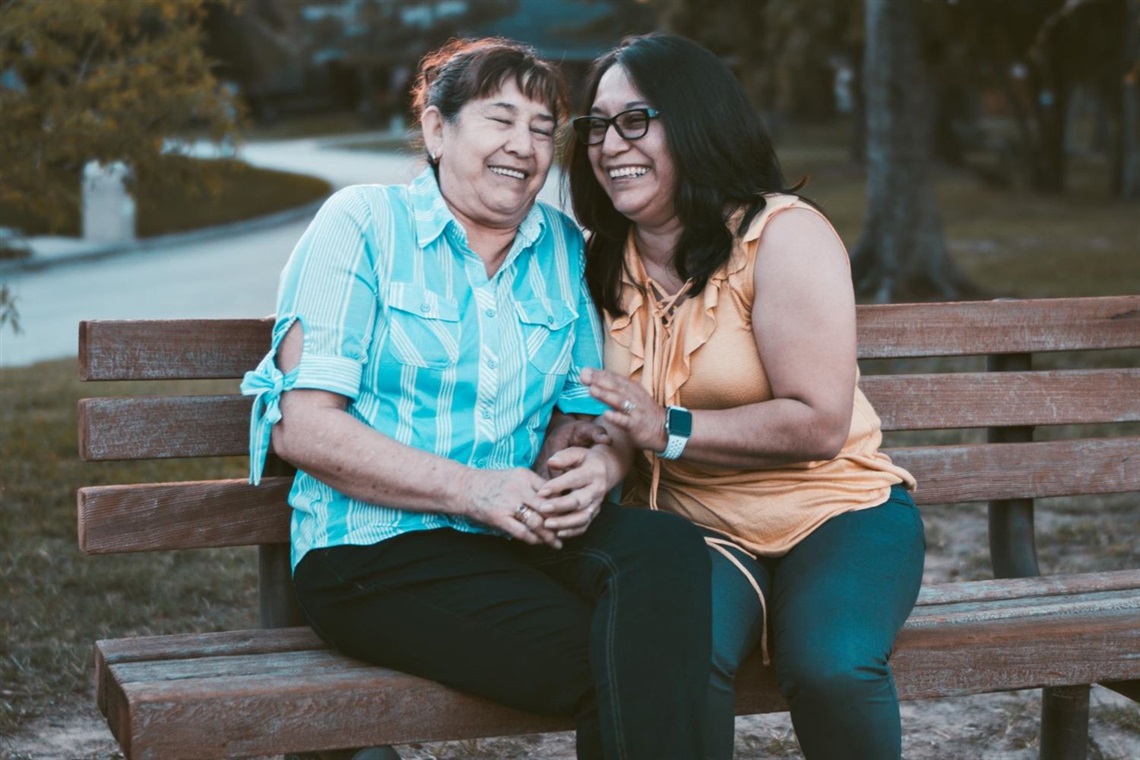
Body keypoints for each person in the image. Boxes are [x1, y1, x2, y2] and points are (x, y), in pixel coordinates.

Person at [241, 37, 713, 760]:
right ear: (437, 129)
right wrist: (473, 490)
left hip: (513, 535)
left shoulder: (559, 245)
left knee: (668, 549)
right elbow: (304, 430)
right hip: (373, 554)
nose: (523, 147)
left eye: (541, 128)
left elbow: (581, 410)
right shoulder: (363, 225)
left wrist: (592, 466)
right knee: (627, 661)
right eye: (500, 119)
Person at [567, 33, 926, 760]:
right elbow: (602, 412)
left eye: (635, 119)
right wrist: (597, 458)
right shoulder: (593, 260)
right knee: (667, 664)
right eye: (597, 125)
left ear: (698, 122)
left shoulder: (782, 236)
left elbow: (819, 422)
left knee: (831, 667)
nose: (609, 144)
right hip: (694, 529)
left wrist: (663, 427)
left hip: (836, 513)